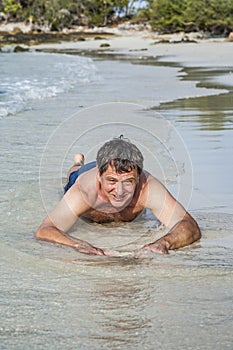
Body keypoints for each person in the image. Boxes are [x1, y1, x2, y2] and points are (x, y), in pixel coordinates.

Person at [35, 136, 201, 256]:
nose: (120, 191)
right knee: (73, 172)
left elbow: (189, 226)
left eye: (128, 181)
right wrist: (78, 244)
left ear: (138, 176)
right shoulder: (84, 191)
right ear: (99, 177)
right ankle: (78, 162)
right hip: (83, 174)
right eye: (112, 181)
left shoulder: (147, 187)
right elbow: (44, 230)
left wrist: (162, 243)